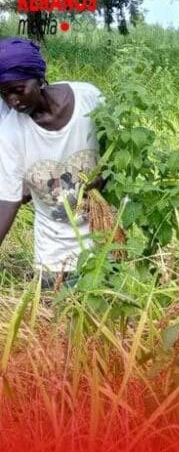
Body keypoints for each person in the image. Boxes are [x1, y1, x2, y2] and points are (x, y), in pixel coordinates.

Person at [0, 37, 105, 288]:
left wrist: (106, 176)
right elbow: (8, 200)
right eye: (4, 94)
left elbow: (117, 145)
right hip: (52, 254)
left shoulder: (88, 99)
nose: (13, 101)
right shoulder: (10, 133)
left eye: (18, 89)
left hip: (102, 243)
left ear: (38, 78)